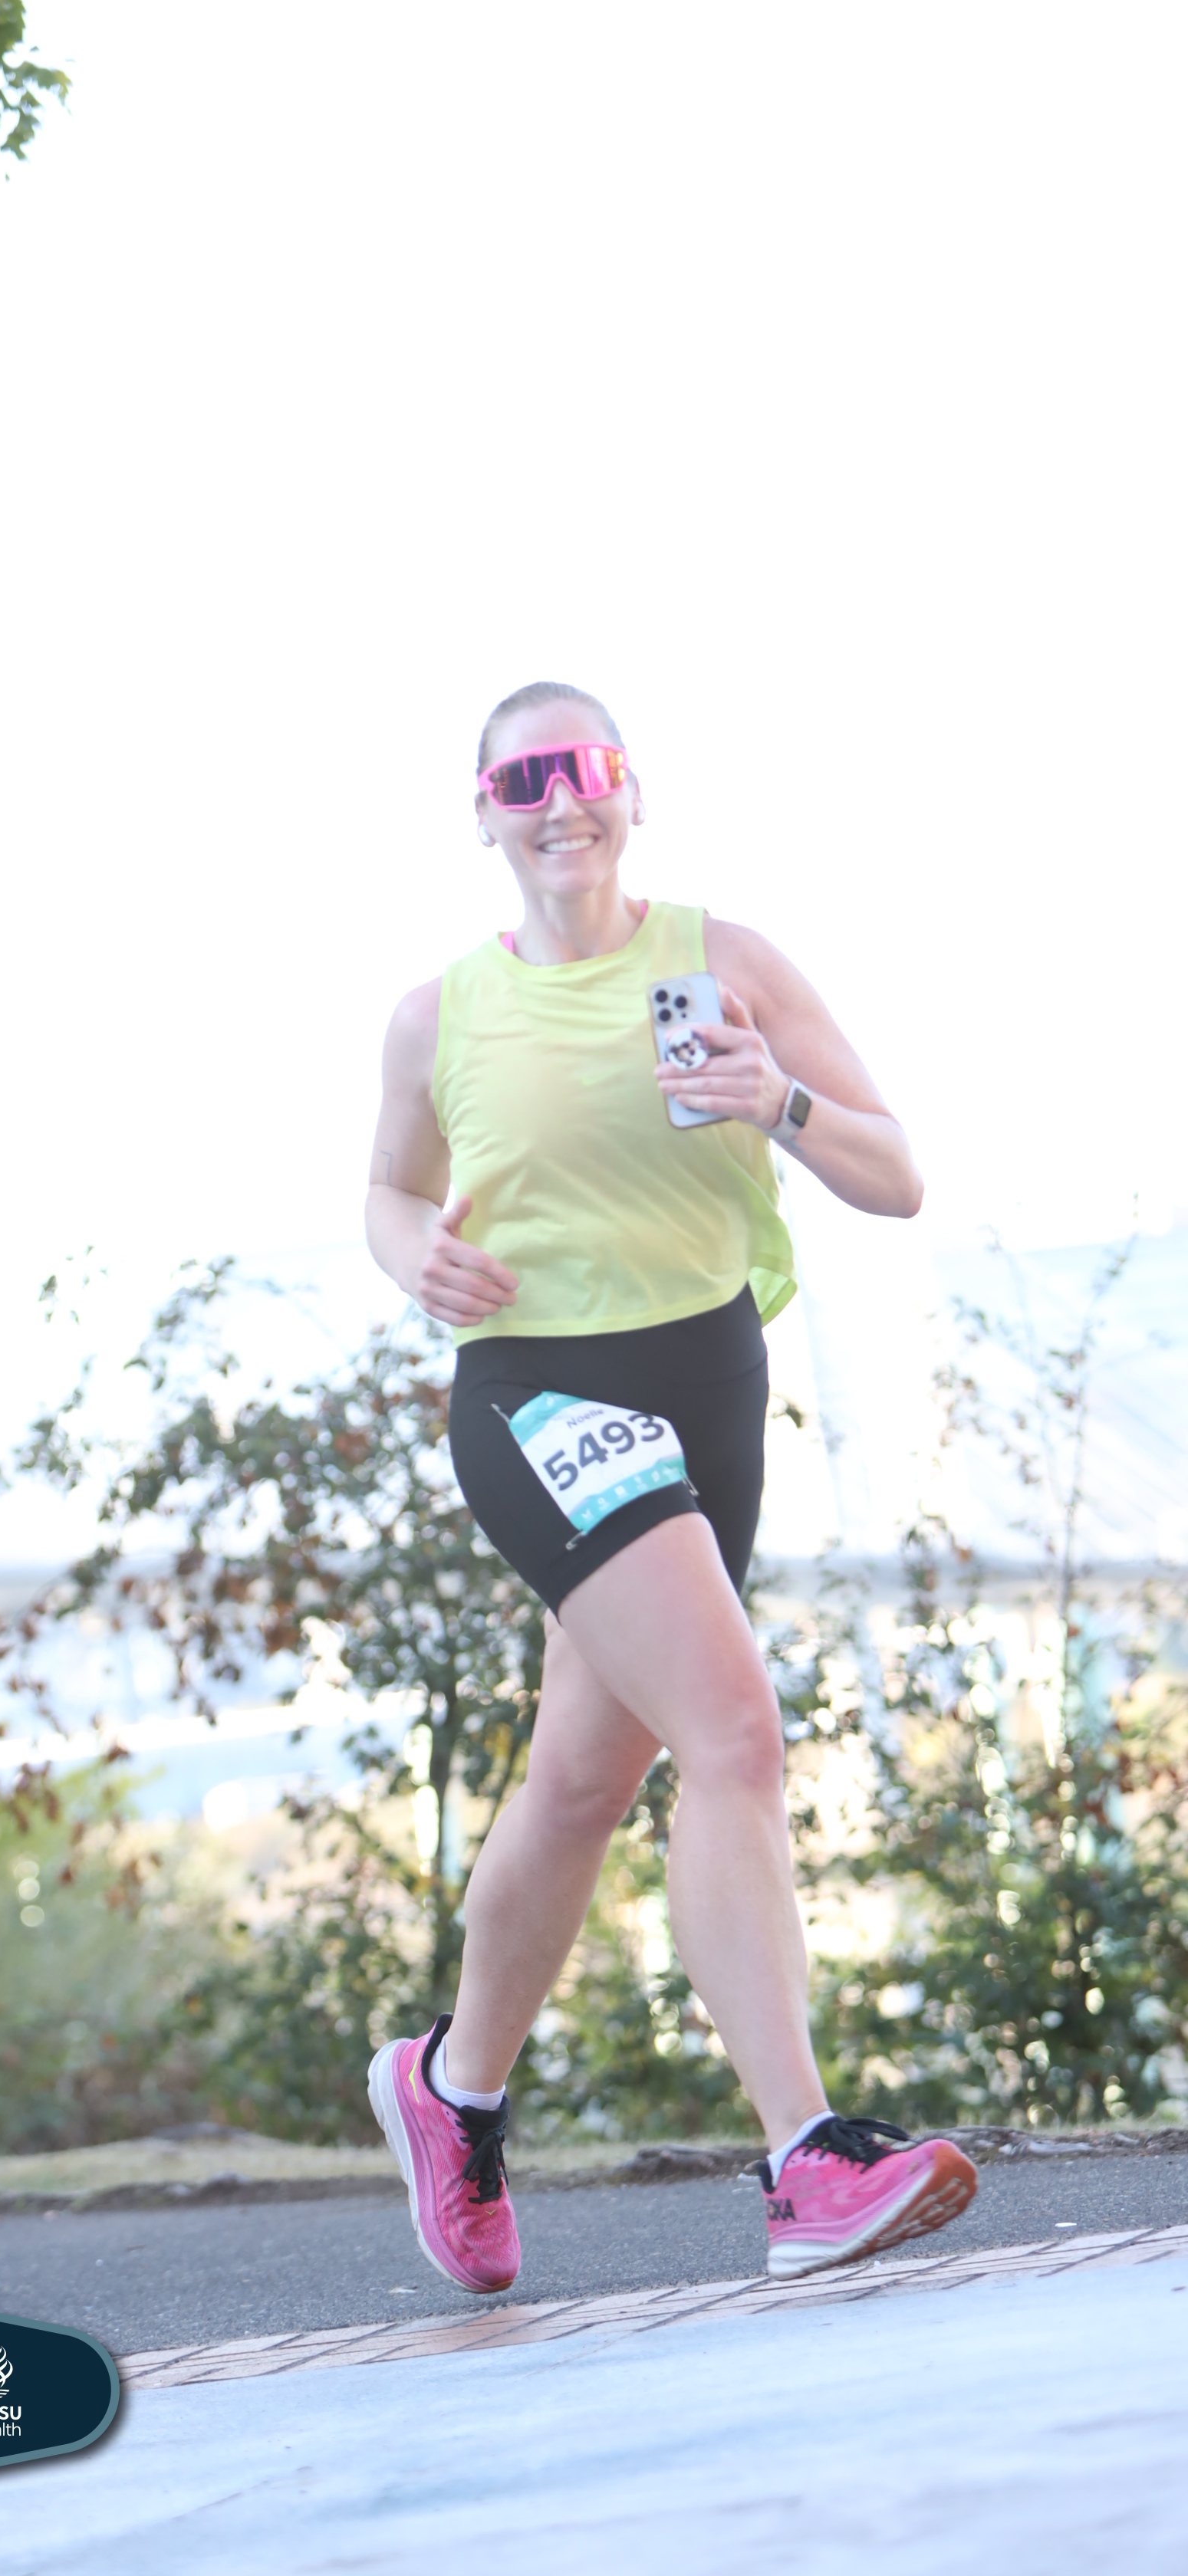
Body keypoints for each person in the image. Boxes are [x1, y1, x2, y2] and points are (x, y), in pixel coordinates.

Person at [364, 682, 977, 2291]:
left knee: (583, 1779)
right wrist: (411, 1257)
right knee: (732, 1731)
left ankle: (450, 2089)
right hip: (537, 1387)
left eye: (585, 770)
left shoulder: (728, 961)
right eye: (523, 779)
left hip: (707, 1379)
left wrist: (775, 1102)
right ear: (482, 814)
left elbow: (897, 1176)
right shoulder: (439, 1016)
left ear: (631, 790)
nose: (558, 801)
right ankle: (805, 2161)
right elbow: (388, 1191)